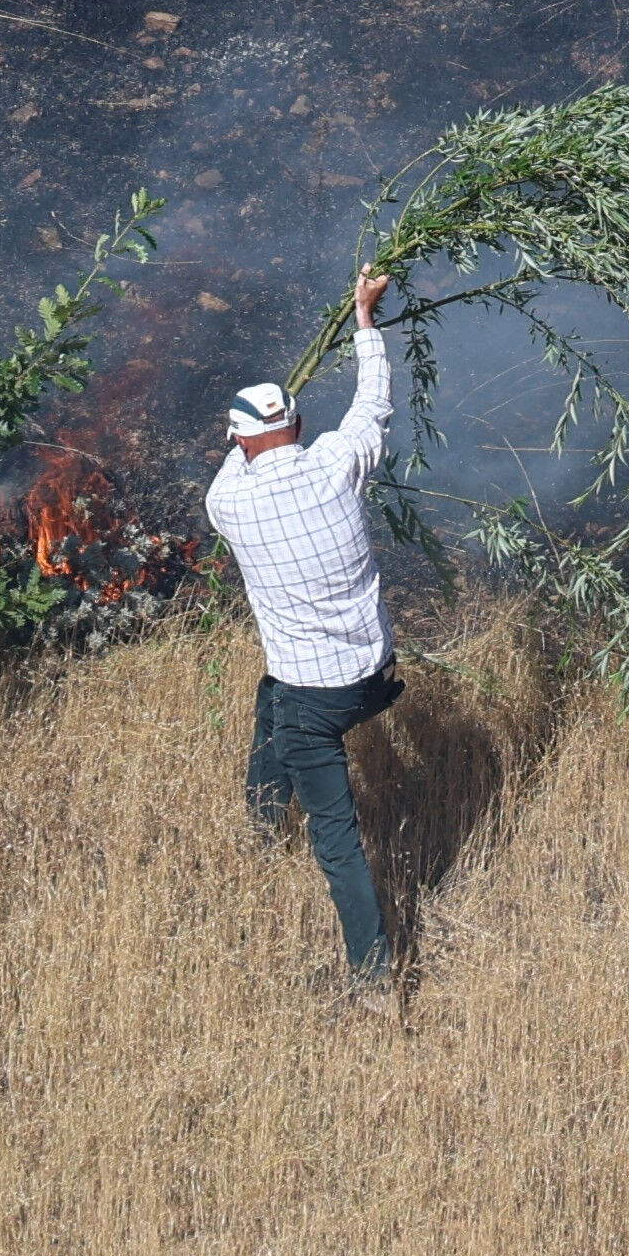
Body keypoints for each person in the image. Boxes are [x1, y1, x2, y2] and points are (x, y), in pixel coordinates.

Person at [208, 269, 408, 994]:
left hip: (316, 697)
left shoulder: (227, 501)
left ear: (239, 439)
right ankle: (261, 826)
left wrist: (246, 434)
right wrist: (364, 317)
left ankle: (374, 977)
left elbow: (241, 456)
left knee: (336, 838)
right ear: (296, 425)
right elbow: (373, 403)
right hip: (375, 676)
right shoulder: (337, 464)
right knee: (272, 701)